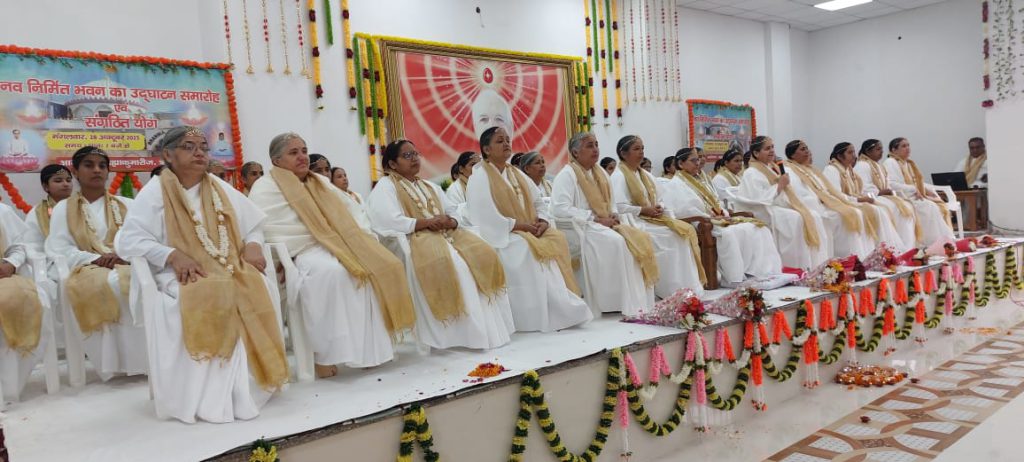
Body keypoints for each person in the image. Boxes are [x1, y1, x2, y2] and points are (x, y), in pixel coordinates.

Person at [114, 126, 288, 423]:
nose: (199, 153)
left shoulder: (218, 187)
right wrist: (171, 255)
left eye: (203, 147)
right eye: (189, 147)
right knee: (212, 292)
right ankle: (206, 395)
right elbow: (128, 241)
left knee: (258, 285)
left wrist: (254, 246)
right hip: (176, 274)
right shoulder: (155, 191)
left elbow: (254, 225)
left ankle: (248, 387)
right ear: (168, 155)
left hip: (228, 265)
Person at [250, 133, 416, 378]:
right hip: (303, 251)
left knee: (377, 266)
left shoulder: (319, 181)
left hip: (342, 244)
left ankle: (370, 352)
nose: (302, 157)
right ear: (276, 160)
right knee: (334, 273)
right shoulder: (266, 187)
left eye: (304, 150)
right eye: (293, 153)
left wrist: (364, 239)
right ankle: (325, 356)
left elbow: (352, 212)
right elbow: (267, 228)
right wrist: (284, 257)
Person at [367, 139, 514, 350]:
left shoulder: (428, 185)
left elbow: (453, 211)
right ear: (392, 164)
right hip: (416, 239)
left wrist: (451, 221)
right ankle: (460, 335)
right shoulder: (385, 186)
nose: (414, 158)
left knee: (484, 252)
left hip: (445, 233)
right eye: (407, 155)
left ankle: (489, 330)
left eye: (416, 153)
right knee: (456, 264)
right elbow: (388, 220)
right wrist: (426, 223)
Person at [467, 127, 592, 332]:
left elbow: (539, 202)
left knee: (556, 238)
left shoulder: (516, 173)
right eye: (499, 141)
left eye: (507, 140)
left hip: (528, 230)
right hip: (502, 236)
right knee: (525, 248)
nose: (506, 144)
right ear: (487, 150)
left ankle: (561, 305)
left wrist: (542, 221)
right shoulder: (479, 177)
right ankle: (534, 316)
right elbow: (485, 217)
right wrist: (519, 226)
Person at [46, 146, 146, 381]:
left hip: (126, 262)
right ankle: (113, 364)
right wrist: (95, 258)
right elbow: (59, 248)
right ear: (76, 172)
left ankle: (143, 361)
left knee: (141, 281)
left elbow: (141, 239)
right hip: (86, 267)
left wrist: (122, 255)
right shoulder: (63, 209)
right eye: (89, 165)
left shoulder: (127, 204)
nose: (97, 170)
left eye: (102, 166)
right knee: (109, 283)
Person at [550, 132, 655, 315]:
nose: (595, 149)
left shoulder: (601, 173)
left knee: (637, 238)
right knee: (617, 242)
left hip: (601, 224)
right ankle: (612, 302)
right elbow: (560, 209)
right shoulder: (567, 175)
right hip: (580, 227)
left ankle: (633, 299)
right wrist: (594, 218)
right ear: (575, 153)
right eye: (589, 146)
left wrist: (612, 214)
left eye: (596, 145)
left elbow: (611, 202)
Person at [663, 148, 782, 285]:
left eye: (698, 159)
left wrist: (723, 214)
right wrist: (711, 218)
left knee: (758, 228)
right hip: (700, 223)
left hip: (716, 219)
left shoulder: (701, 180)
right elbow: (684, 210)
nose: (698, 163)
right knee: (730, 233)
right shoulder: (675, 184)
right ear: (681, 164)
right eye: (693, 160)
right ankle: (734, 277)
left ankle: (760, 271)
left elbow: (717, 201)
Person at [610, 135, 706, 296]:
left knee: (682, 233)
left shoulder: (645, 175)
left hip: (652, 218)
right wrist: (643, 210)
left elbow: (660, 197)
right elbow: (618, 207)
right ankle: (669, 290)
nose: (641, 152)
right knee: (669, 238)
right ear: (623, 153)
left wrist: (659, 207)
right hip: (634, 221)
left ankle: (688, 287)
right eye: (636, 149)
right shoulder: (619, 176)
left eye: (642, 148)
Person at [732, 136, 831, 270]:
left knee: (813, 215)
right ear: (756, 153)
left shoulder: (772, 167)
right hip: (763, 210)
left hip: (776, 205)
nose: (772, 151)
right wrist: (779, 186)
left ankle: (816, 264)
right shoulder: (751, 172)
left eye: (772, 147)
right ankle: (793, 265)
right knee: (795, 218)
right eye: (767, 148)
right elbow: (758, 199)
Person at [783, 140, 874, 259]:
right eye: (802, 149)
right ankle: (845, 257)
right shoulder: (790, 170)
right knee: (847, 214)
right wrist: (822, 200)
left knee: (856, 212)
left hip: (823, 204)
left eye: (807, 148)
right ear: (792, 155)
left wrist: (827, 199)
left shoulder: (809, 169)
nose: (807, 152)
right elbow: (798, 195)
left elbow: (825, 190)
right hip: (813, 207)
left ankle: (860, 256)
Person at [0, 201, 52, 401]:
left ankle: (8, 386)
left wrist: (10, 264)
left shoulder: (2, 211)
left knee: (22, 300)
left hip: (3, 277)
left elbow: (18, 246)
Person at [823, 142, 909, 250]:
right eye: (850, 152)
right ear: (840, 156)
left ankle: (888, 249)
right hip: (839, 204)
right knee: (866, 212)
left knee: (880, 210)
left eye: (854, 152)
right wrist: (859, 199)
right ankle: (866, 251)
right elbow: (835, 194)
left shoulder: (848, 169)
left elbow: (858, 190)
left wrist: (862, 198)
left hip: (851, 201)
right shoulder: (831, 169)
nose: (854, 155)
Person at [883, 138, 954, 244]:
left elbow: (915, 182)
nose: (908, 148)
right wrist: (913, 189)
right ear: (894, 150)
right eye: (903, 146)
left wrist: (926, 190)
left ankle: (944, 240)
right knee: (930, 206)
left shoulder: (908, 163)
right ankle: (929, 241)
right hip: (902, 197)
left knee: (937, 205)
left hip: (913, 194)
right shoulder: (890, 162)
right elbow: (892, 184)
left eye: (908, 145)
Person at [853, 139, 920, 248]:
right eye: (878, 149)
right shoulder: (862, 165)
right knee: (896, 209)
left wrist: (888, 191)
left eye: (882, 149)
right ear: (868, 151)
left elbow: (888, 184)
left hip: (884, 197)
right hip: (872, 198)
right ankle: (893, 247)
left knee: (906, 207)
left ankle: (908, 246)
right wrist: (879, 192)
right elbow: (863, 188)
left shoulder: (878, 166)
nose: (881, 152)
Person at [25, 164, 74, 257]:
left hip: (85, 258)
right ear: (45, 186)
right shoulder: (38, 212)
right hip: (49, 260)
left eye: (68, 180)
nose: (66, 184)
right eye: (58, 181)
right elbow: (32, 245)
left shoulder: (82, 206)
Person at [331, 166, 372, 234]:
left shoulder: (357, 195)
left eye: (345, 175)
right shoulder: (335, 198)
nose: (344, 178)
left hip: (368, 230)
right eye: (339, 177)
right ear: (332, 182)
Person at [445, 152, 479, 224]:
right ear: (461, 169)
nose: (477, 168)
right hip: (469, 227)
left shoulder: (486, 182)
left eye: (479, 165)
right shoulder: (454, 190)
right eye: (473, 165)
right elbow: (455, 216)